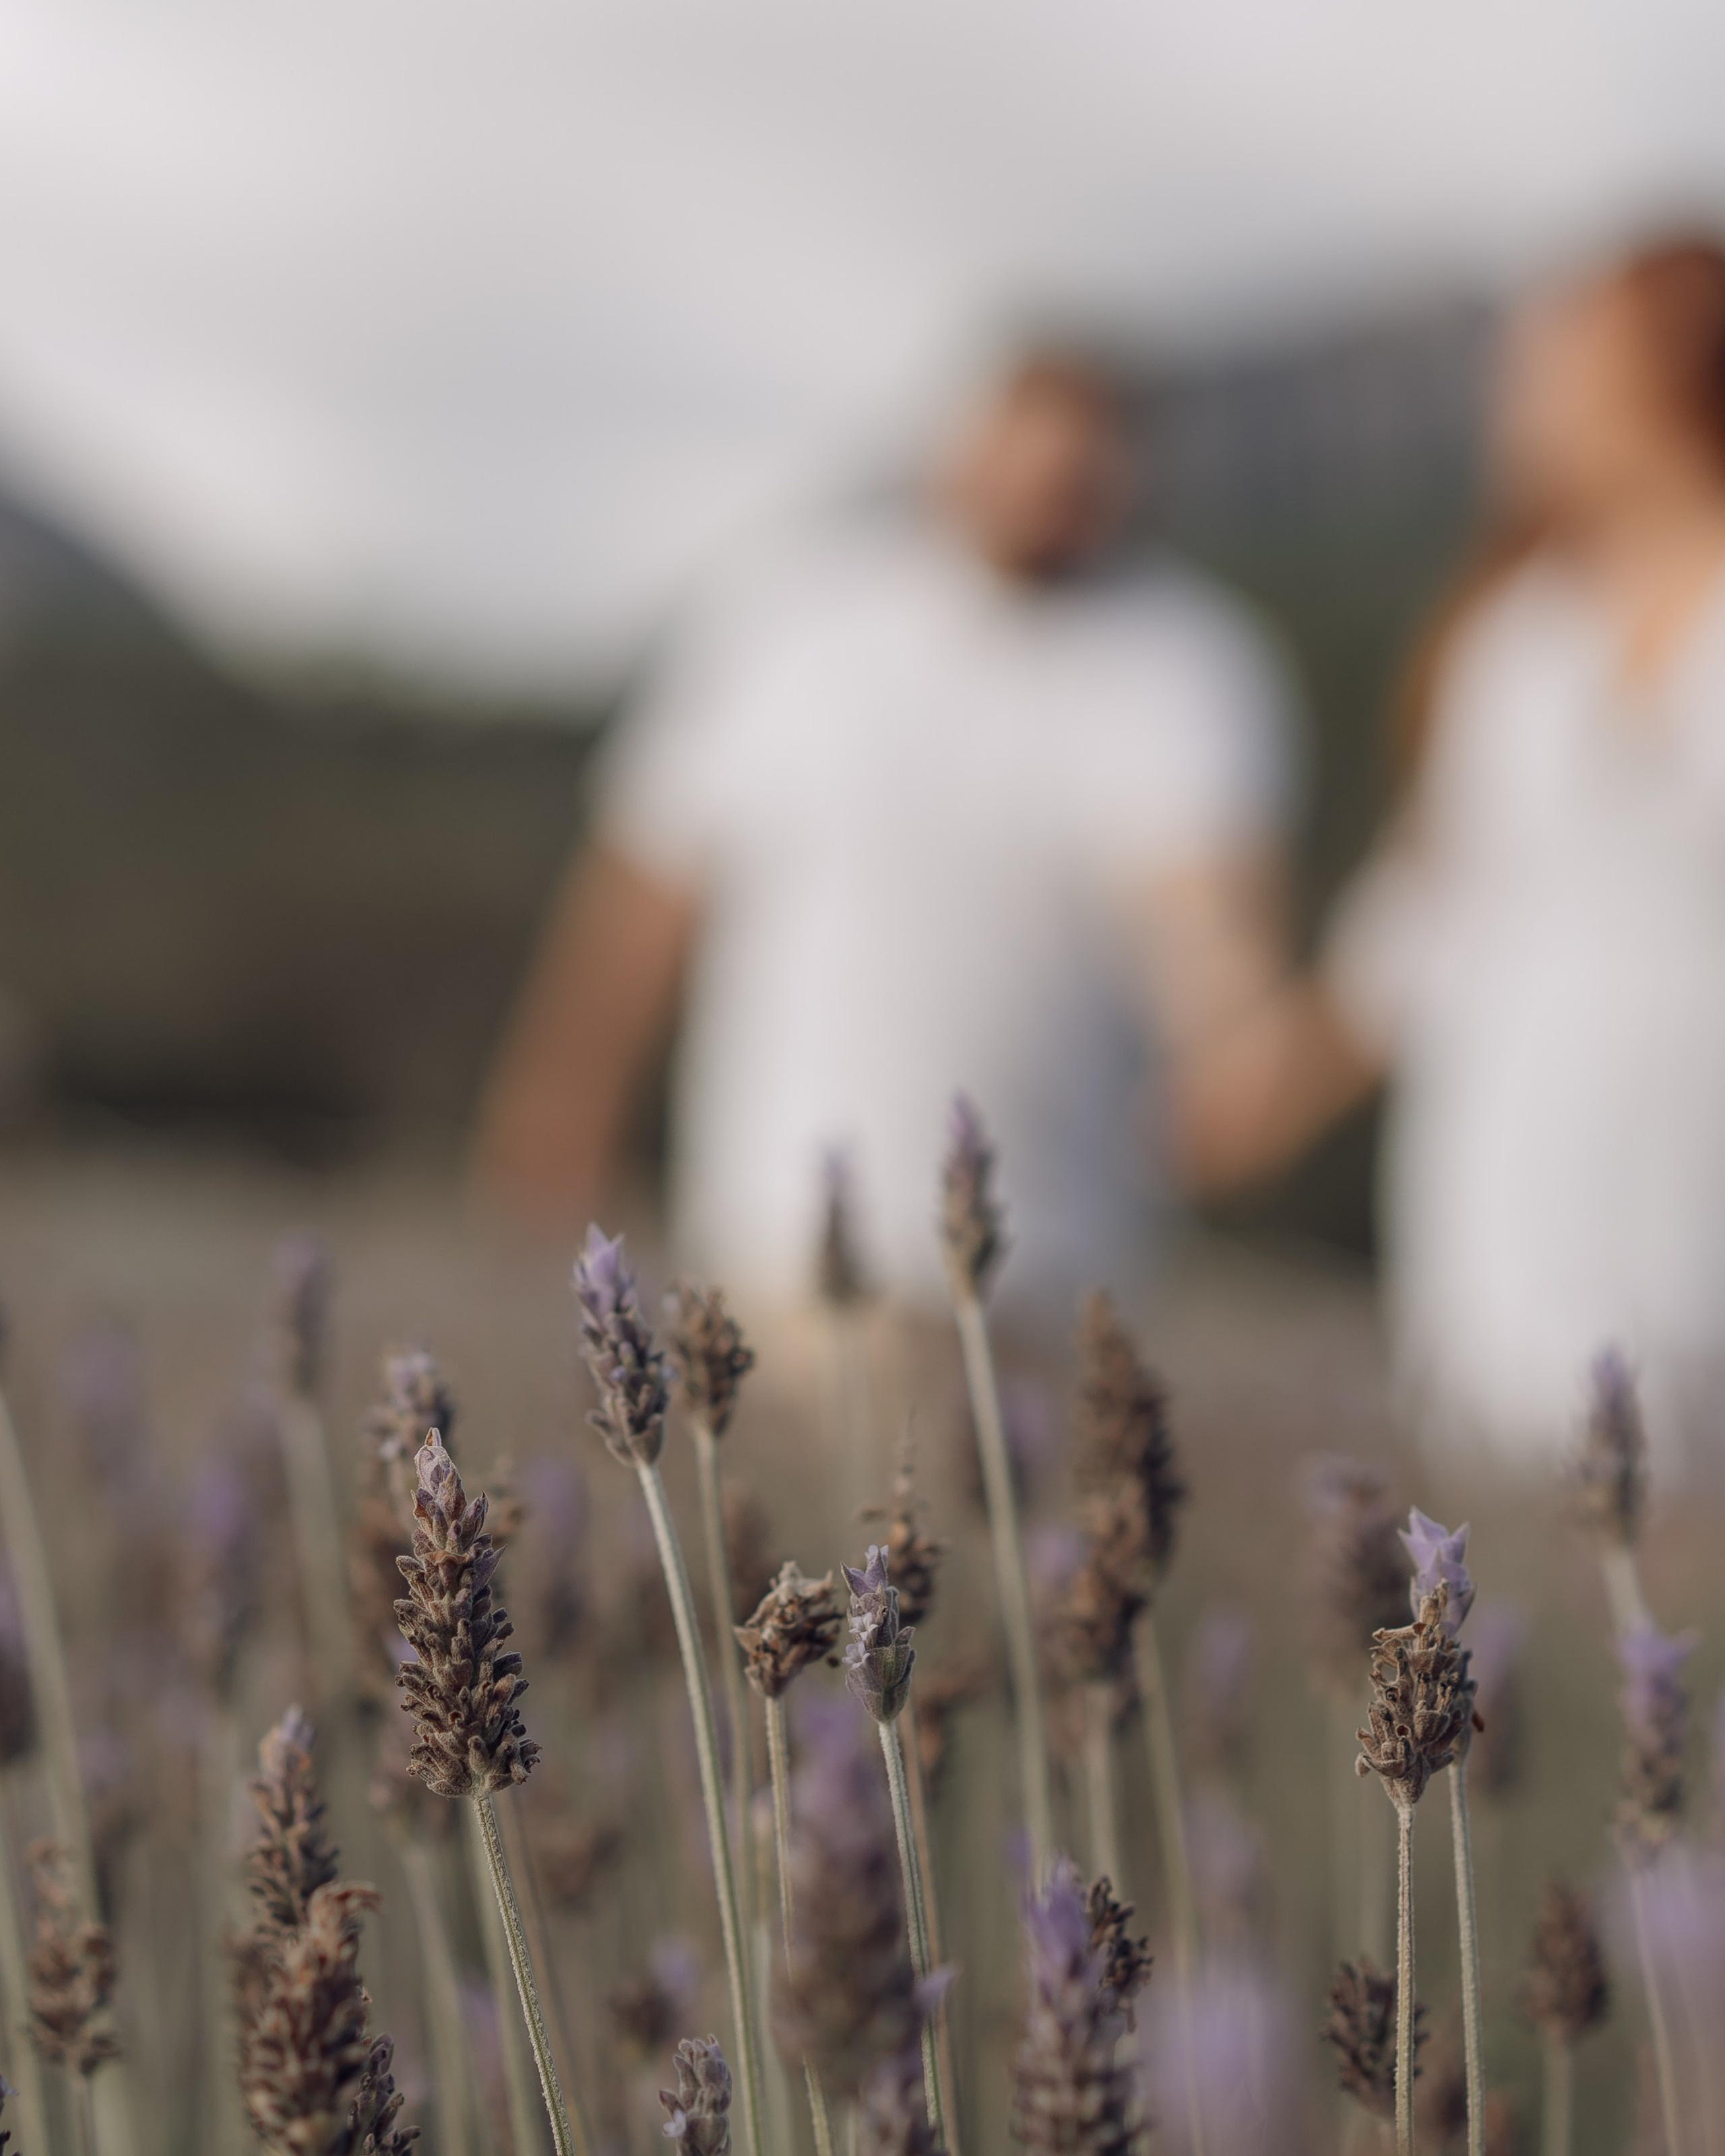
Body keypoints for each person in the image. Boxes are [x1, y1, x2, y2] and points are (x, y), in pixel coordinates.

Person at [474, 353, 1298, 1313]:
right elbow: (651, 886)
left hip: (1054, 1261)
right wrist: (563, 1099)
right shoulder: (793, 615)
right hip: (779, 1235)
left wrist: (1232, 1040)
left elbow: (1200, 899)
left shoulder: (1184, 661)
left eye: (1079, 478)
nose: (1050, 498)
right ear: (958, 452)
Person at [1180, 238, 1725, 1472]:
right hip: (1509, 1151)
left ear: (1672, 371)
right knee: (1513, 1508)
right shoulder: (1515, 637)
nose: (1513, 400)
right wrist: (1275, 1082)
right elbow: (1423, 919)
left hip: (1701, 1144)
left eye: (1556, 366)